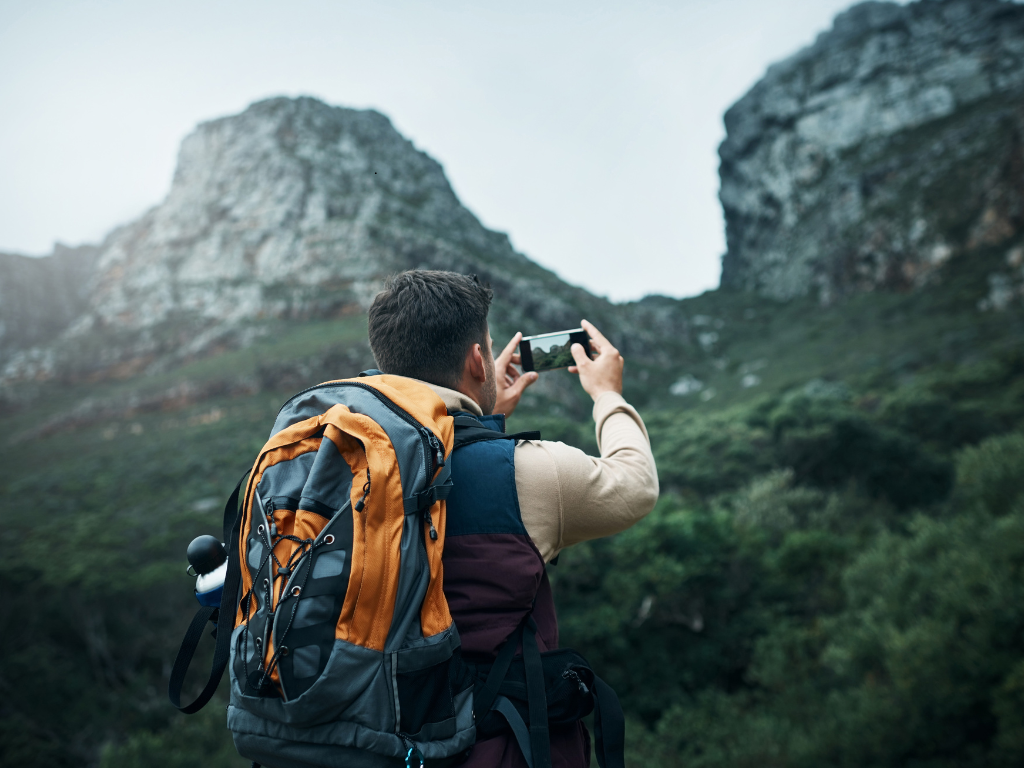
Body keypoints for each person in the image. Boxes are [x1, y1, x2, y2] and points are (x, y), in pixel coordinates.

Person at [367, 270, 659, 768]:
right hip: (490, 747)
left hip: (374, 740)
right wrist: (607, 394)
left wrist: (482, 407)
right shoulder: (525, 472)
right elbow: (635, 484)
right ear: (479, 360)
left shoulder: (343, 466)